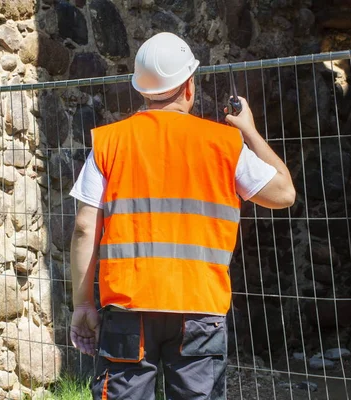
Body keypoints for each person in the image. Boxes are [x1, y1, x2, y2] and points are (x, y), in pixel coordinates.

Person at [69, 32, 296, 400]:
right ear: (189, 86)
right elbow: (284, 193)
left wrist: (83, 304)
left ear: (141, 90)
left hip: (129, 306)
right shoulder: (224, 143)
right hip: (200, 308)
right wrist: (249, 131)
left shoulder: (109, 142)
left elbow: (83, 227)